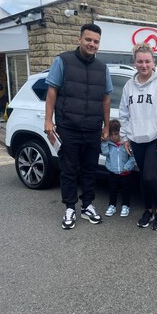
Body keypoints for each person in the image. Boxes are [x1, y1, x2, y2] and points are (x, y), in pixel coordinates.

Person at [44, 23, 112, 230]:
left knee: (90, 170)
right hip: (69, 128)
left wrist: (106, 126)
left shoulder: (103, 68)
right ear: (79, 39)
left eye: (96, 41)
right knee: (69, 170)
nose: (92, 44)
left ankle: (88, 206)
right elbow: (52, 91)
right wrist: (48, 121)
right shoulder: (63, 61)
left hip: (92, 128)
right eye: (88, 39)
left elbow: (106, 99)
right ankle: (70, 208)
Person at [119, 42, 157, 231]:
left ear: (153, 62)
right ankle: (148, 210)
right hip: (136, 139)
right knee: (143, 177)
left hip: (154, 139)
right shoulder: (129, 85)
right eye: (140, 61)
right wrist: (125, 137)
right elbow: (124, 113)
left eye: (147, 61)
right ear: (134, 62)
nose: (144, 65)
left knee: (151, 177)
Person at [101, 119, 136, 217]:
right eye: (111, 134)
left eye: (116, 134)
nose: (113, 137)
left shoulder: (126, 143)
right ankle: (112, 205)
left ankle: (125, 205)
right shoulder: (109, 143)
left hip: (125, 172)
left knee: (126, 190)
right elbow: (105, 153)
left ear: (120, 132)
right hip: (113, 171)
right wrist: (104, 142)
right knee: (112, 189)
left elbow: (133, 157)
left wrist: (127, 167)